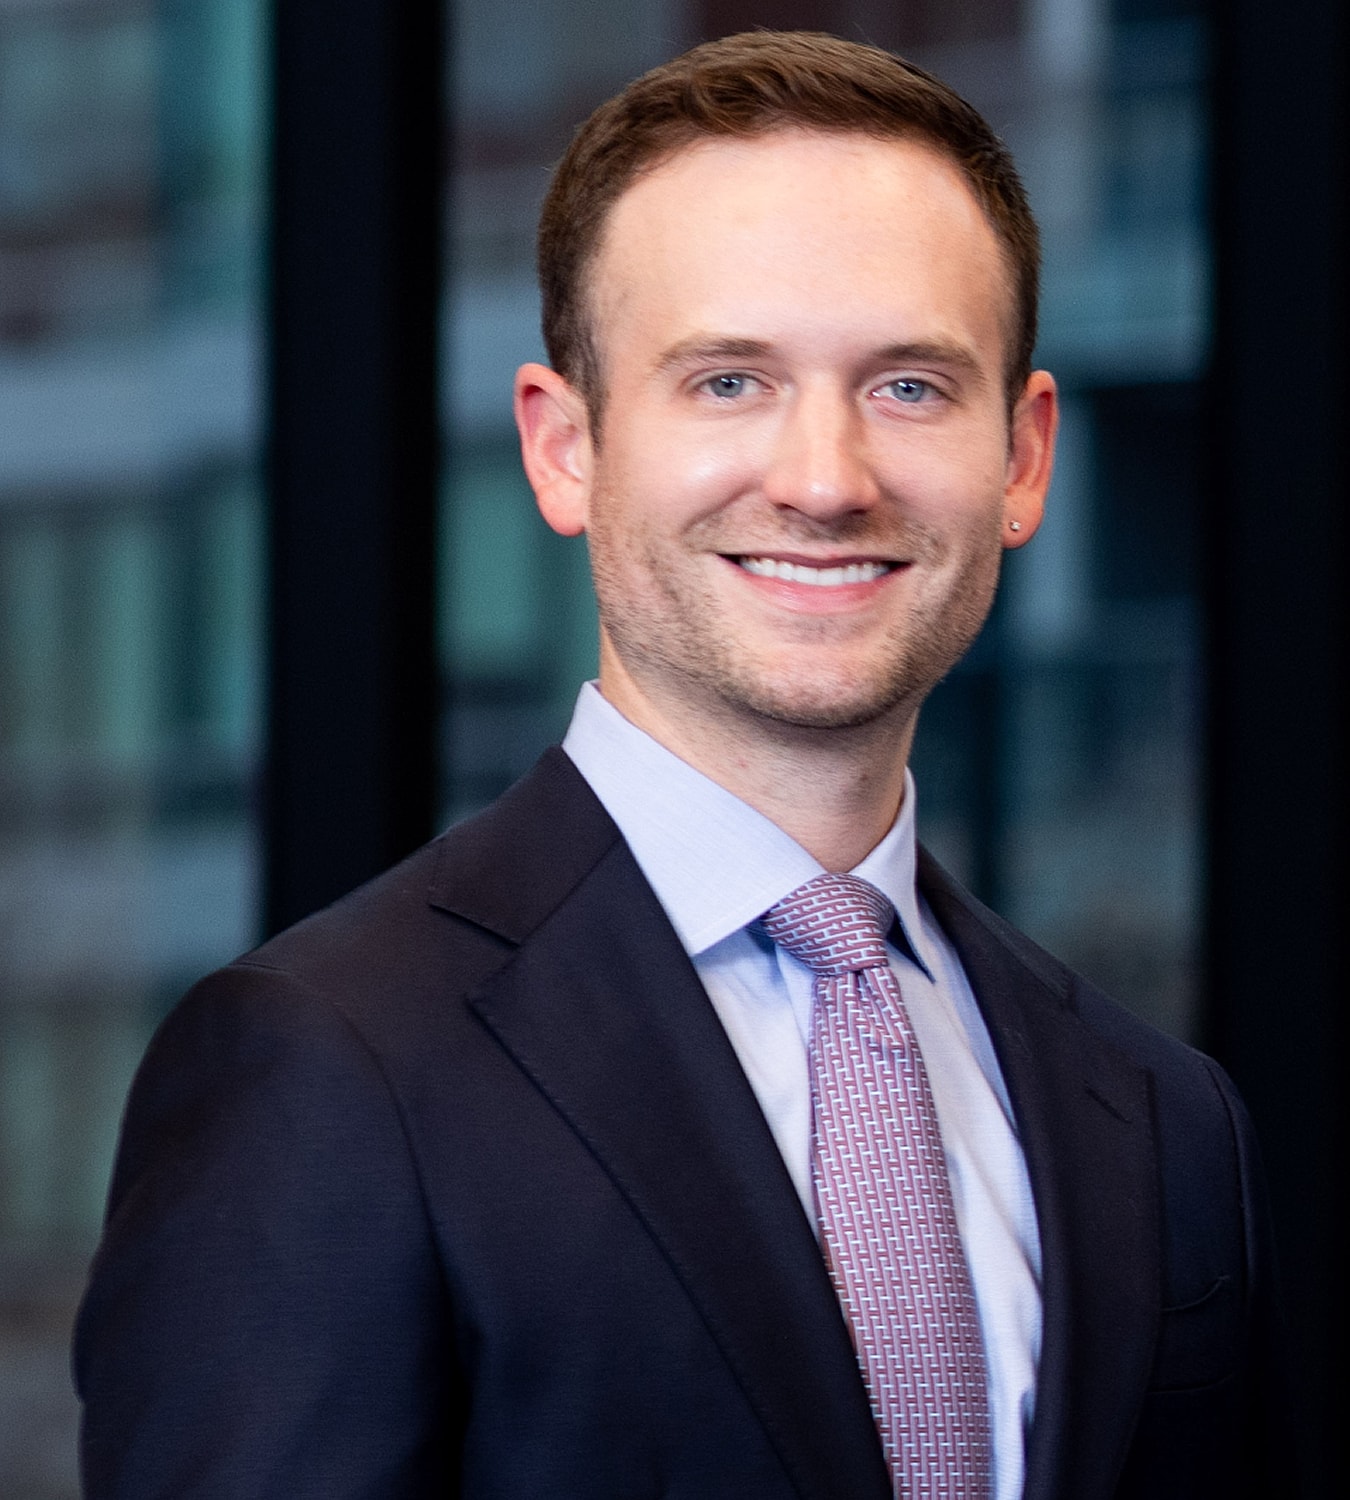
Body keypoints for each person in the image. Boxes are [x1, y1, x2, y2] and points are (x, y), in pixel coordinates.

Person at [75, 30, 1287, 1500]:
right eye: (727, 382)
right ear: (564, 448)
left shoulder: (1156, 1117)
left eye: (909, 386)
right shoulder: (327, 1070)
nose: (826, 479)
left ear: (1022, 458)